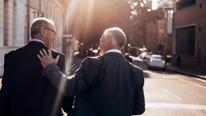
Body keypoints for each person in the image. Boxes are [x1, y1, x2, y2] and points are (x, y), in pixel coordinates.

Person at [38, 27, 145, 116]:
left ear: (108, 38)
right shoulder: (137, 72)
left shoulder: (93, 64)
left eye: (102, 37)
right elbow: (139, 108)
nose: (99, 41)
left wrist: (51, 67)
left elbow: (69, 87)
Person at [0, 17, 74, 116]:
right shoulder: (57, 57)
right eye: (54, 32)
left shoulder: (12, 57)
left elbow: (5, 95)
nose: (55, 37)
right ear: (43, 31)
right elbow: (65, 96)